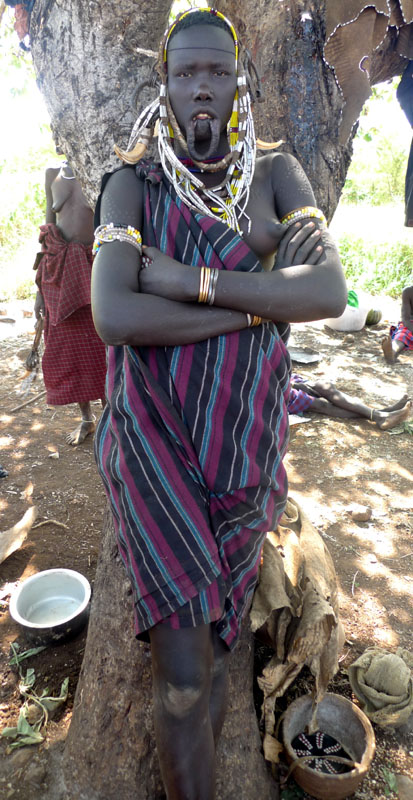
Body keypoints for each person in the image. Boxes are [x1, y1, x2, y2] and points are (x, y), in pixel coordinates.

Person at [91, 8, 347, 799]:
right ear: (163, 87)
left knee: (212, 661)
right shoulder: (131, 186)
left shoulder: (276, 176)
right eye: (184, 73)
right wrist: (258, 304)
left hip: (243, 447)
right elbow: (115, 315)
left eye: (215, 72)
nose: (200, 86)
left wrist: (185, 281)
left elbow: (326, 292)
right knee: (181, 681)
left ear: (239, 84)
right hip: (154, 446)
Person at [34, 161, 107, 445]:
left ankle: (112, 416)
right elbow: (47, 233)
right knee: (69, 346)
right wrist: (39, 290)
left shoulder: (99, 165)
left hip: (96, 265)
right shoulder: (52, 173)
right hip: (59, 271)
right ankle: (87, 418)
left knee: (103, 343)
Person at [288, 374, 412, 429]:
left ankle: (382, 413)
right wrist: (292, 386)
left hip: (287, 380)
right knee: (319, 404)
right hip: (278, 389)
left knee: (324, 386)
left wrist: (294, 384)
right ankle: (380, 415)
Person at [381, 284, 413, 364]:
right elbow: (406, 319)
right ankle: (392, 352)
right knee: (402, 335)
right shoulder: (408, 292)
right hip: (410, 324)